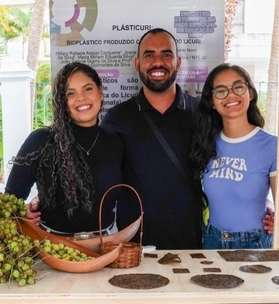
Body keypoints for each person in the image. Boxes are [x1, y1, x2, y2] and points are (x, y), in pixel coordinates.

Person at [102, 28, 203, 250]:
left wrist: (266, 203)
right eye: (149, 55)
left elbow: (227, 162)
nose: (158, 62)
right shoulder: (117, 118)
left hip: (192, 245)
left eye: (166, 54)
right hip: (134, 247)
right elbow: (98, 175)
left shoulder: (201, 114)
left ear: (178, 62)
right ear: (137, 63)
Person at [190, 63, 279, 249]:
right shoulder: (206, 143)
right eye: (221, 91)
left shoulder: (272, 145)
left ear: (250, 93)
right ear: (211, 101)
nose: (231, 95)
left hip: (255, 244)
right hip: (212, 241)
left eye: (238, 87)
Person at [5, 62, 122, 236]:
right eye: (70, 93)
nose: (81, 98)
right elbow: (10, 199)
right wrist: (22, 213)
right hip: (52, 248)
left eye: (88, 89)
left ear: (100, 92)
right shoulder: (41, 140)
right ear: (63, 102)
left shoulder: (115, 141)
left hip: (107, 245)